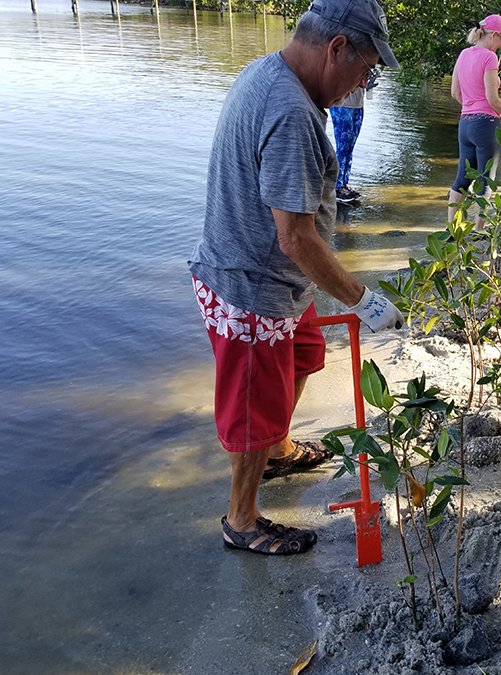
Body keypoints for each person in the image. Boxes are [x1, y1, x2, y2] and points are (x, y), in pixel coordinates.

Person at [187, 0, 404, 556]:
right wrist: (362, 300)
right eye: (366, 70)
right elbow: (296, 239)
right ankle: (242, 518)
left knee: (306, 353)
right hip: (251, 287)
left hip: (280, 280)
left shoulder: (270, 72)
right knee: (254, 406)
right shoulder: (289, 113)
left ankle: (279, 449)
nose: (364, 84)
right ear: (337, 48)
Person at [448, 14, 501, 224]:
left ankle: (452, 229)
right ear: (493, 35)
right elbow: (492, 98)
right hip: (485, 124)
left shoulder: (463, 55)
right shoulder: (489, 58)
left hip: (465, 123)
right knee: (486, 179)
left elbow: (455, 93)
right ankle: (479, 230)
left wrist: (471, 107)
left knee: (462, 179)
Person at [330, 71, 378, 204]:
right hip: (342, 106)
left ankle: (344, 184)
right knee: (342, 148)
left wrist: (369, 80)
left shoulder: (366, 65)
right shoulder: (345, 63)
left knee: (350, 148)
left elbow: (365, 86)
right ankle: (336, 187)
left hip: (358, 106)